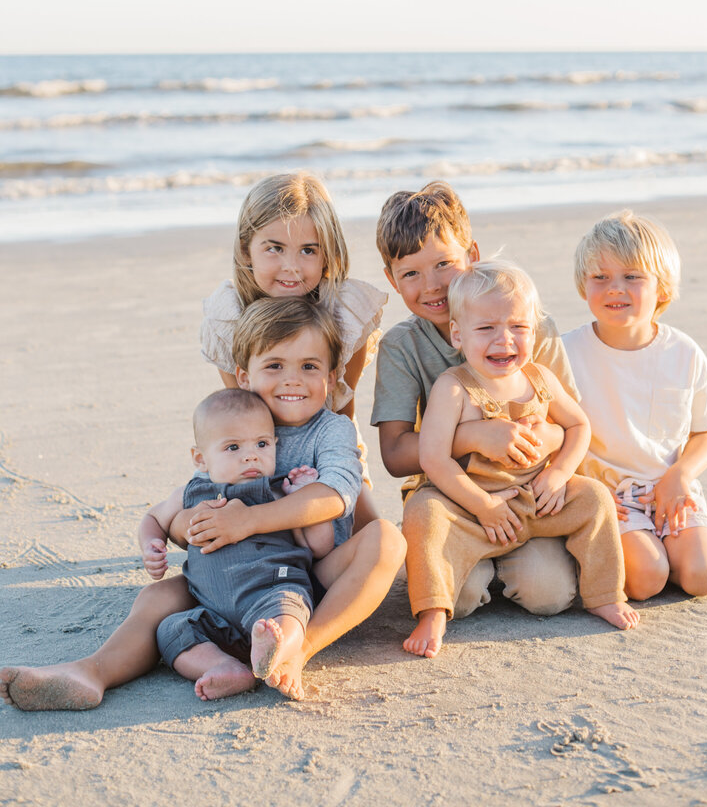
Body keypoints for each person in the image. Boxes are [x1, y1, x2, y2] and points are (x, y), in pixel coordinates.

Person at [0, 299, 406, 710]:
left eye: (309, 366)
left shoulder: (330, 430)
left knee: (388, 539)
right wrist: (179, 529)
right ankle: (92, 671)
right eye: (275, 366)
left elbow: (335, 495)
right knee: (158, 602)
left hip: (303, 574)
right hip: (221, 578)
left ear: (332, 376)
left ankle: (297, 650)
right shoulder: (229, 419)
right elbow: (183, 506)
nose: (292, 380)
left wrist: (248, 521)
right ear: (245, 377)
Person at [403, 261, 638, 657]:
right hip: (470, 508)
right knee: (424, 511)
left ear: (534, 330)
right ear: (458, 334)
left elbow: (579, 426)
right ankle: (432, 613)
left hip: (534, 501)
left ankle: (603, 594)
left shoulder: (540, 378)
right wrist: (484, 505)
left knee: (595, 497)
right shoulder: (454, 388)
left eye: (518, 327)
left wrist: (560, 474)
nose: (504, 340)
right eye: (486, 329)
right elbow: (433, 459)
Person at [371, 181, 579, 618]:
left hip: (526, 492)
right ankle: (473, 562)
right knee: (460, 601)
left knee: (550, 595)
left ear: (472, 254)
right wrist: (474, 436)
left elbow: (572, 421)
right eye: (410, 273)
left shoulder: (530, 326)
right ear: (391, 279)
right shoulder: (401, 346)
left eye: (444, 264)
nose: (432, 286)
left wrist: (547, 442)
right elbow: (394, 455)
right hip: (452, 499)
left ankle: (507, 559)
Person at [201, 171, 387, 526]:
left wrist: (342, 478)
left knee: (375, 537)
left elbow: (341, 409)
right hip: (257, 449)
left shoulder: (345, 314)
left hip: (329, 442)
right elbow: (241, 413)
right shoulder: (228, 318)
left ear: (326, 255)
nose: (291, 267)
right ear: (246, 250)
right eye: (274, 248)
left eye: (308, 250)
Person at [563, 210, 707, 602]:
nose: (614, 288)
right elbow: (553, 429)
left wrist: (680, 476)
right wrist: (580, 489)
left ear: (662, 289)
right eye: (600, 277)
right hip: (607, 495)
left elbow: (706, 431)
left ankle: (675, 546)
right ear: (583, 286)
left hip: (670, 487)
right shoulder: (566, 353)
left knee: (703, 577)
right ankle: (606, 549)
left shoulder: (683, 352)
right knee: (646, 580)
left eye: (632, 277)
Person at [142, 387, 334, 702]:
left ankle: (277, 650)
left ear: (275, 445)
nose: (250, 455)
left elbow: (320, 546)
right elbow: (154, 518)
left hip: (272, 591)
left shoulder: (279, 494)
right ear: (200, 458)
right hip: (211, 613)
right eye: (233, 447)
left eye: (261, 444)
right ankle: (226, 667)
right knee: (171, 629)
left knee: (291, 610)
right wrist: (152, 544)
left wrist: (306, 494)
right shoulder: (190, 494)